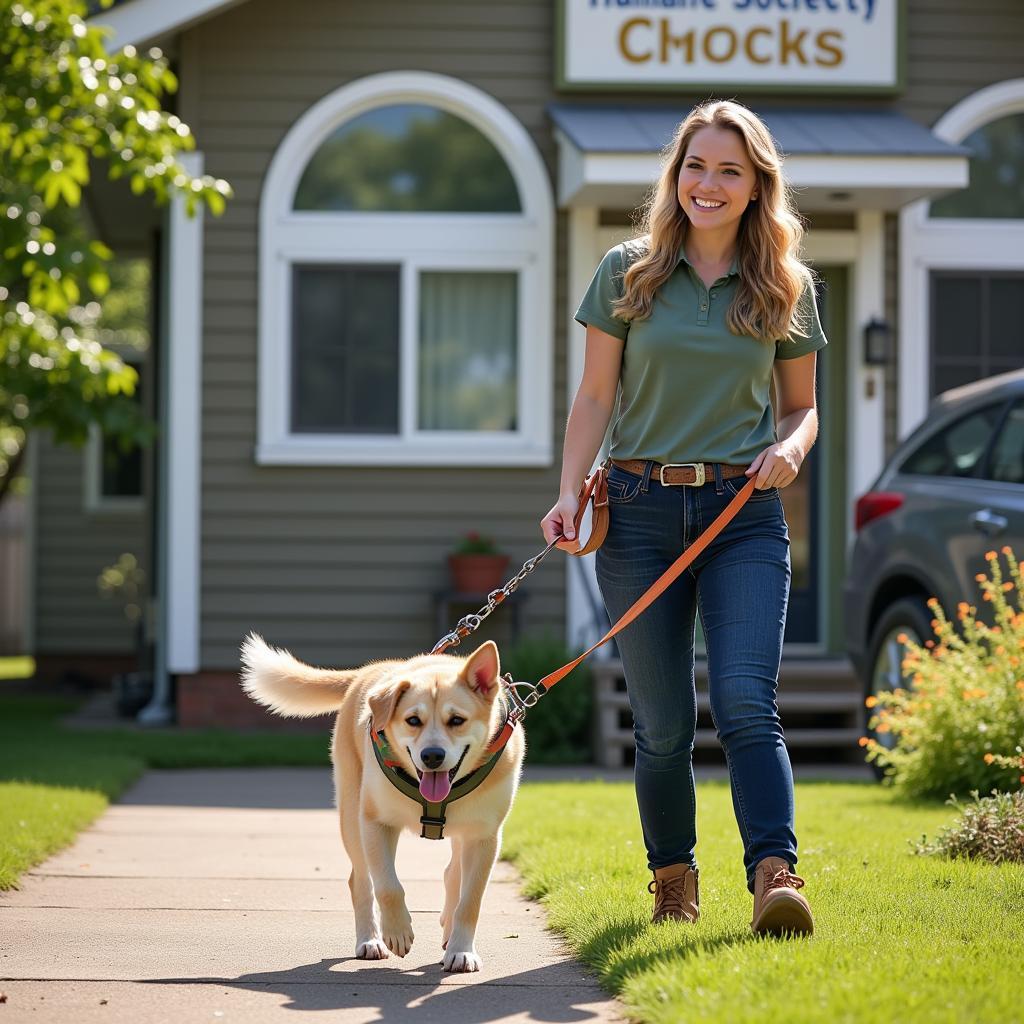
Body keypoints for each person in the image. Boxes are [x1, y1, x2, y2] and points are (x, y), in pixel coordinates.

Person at [541, 99, 827, 937]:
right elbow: (595, 394)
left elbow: (803, 408)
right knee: (663, 725)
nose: (709, 183)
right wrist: (568, 491)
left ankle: (776, 875)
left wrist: (793, 449)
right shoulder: (629, 271)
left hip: (743, 513)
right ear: (677, 177)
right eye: (696, 166)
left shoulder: (785, 283)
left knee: (745, 700)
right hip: (635, 510)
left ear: (754, 185)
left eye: (729, 170)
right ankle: (673, 879)